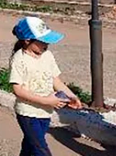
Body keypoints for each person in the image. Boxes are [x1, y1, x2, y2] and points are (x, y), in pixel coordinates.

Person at [9, 17, 82, 156]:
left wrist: (71, 96)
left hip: (45, 113)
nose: (46, 44)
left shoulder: (47, 55)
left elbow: (56, 81)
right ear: (27, 41)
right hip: (28, 113)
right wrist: (46, 101)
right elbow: (17, 90)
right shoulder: (19, 59)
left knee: (30, 146)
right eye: (42, 41)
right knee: (41, 150)